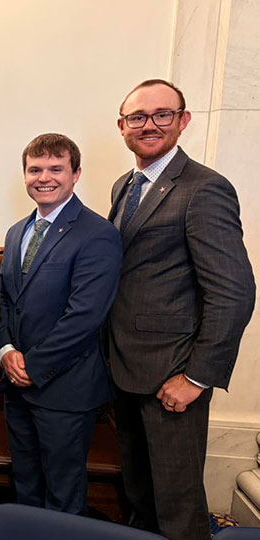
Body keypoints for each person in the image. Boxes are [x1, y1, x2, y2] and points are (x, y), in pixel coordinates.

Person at [107, 79, 255, 540]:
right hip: (126, 371)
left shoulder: (204, 188)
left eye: (162, 115)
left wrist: (196, 377)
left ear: (183, 120)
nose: (149, 125)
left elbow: (233, 291)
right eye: (137, 117)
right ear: (122, 127)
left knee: (177, 505)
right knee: (140, 495)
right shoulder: (124, 185)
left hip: (174, 374)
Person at [0, 133, 121, 514]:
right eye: (35, 169)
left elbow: (84, 317)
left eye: (56, 168)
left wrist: (32, 367)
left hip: (65, 391)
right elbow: (4, 300)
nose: (44, 177)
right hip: (16, 386)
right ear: (25, 175)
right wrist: (5, 351)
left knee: (63, 494)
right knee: (26, 485)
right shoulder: (18, 231)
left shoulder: (98, 234)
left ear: (76, 173)